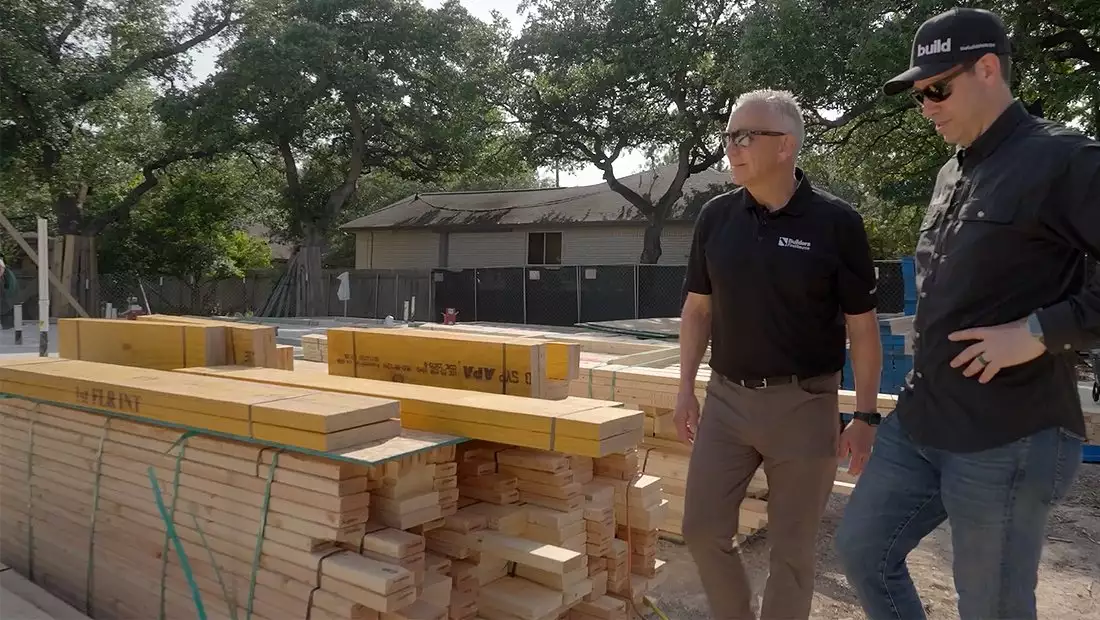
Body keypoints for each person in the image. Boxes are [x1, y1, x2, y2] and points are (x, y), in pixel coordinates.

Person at [835, 8, 1097, 620]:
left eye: (938, 88)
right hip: (925, 418)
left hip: (1009, 431)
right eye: (919, 92)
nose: (926, 104)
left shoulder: (1064, 160)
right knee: (862, 549)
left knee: (992, 608)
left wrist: (1037, 333)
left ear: (988, 70)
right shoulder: (954, 170)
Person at [677, 89, 883, 620]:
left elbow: (862, 328)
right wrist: (685, 391)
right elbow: (698, 310)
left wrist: (863, 415)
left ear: (786, 145)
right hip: (725, 402)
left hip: (804, 405)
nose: (733, 147)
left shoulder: (836, 223)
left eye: (747, 136)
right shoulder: (716, 218)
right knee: (701, 530)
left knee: (791, 555)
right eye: (729, 136)